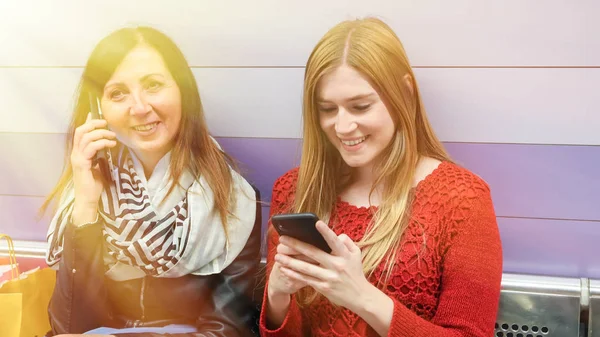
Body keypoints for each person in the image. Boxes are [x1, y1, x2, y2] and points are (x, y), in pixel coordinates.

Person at [260, 17, 503, 337]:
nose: (343, 126)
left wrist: (364, 299)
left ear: (404, 92)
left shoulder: (462, 200)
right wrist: (277, 296)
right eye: (328, 109)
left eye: (360, 106)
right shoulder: (294, 190)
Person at [40, 26, 262, 337]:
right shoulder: (84, 194)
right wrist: (86, 204)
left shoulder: (235, 200)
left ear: (182, 91)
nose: (140, 108)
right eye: (118, 93)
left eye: (153, 85)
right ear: (98, 108)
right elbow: (69, 328)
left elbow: (226, 331)